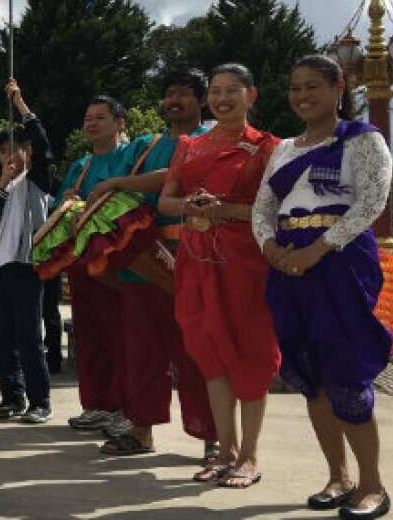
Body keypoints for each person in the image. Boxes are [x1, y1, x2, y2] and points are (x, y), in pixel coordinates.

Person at [252, 55, 393, 518]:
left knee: (345, 371)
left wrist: (319, 249)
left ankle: (372, 485)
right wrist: (270, 244)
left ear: (338, 88)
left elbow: (371, 201)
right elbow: (263, 206)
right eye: (295, 88)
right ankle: (338, 475)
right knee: (311, 375)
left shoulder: (362, 140)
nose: (302, 96)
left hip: (340, 263)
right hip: (287, 263)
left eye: (313, 86)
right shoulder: (285, 149)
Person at [159, 63, 280, 488]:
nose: (223, 99)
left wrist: (224, 210)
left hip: (246, 265)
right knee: (209, 355)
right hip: (196, 262)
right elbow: (166, 201)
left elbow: (275, 212)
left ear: (252, 95)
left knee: (249, 354)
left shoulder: (268, 148)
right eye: (216, 91)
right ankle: (223, 450)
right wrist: (190, 205)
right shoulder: (189, 146)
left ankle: (249, 456)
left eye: (232, 91)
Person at [87, 70, 218, 461]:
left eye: (184, 93)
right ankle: (141, 431)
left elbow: (181, 177)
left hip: (193, 259)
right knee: (141, 351)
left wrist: (121, 185)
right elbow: (116, 178)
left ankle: (214, 436)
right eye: (169, 94)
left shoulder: (212, 139)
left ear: (201, 101)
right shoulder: (145, 144)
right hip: (141, 261)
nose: (174, 100)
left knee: (196, 352)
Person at [0, 79, 55, 423]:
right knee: (2, 337)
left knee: (28, 338)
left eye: (16, 151)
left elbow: (43, 143)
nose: (10, 157)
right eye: (4, 152)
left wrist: (21, 105)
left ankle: (41, 401)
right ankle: (12, 396)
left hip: (26, 267)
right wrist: (2, 183)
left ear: (28, 153)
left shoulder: (37, 180)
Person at [59, 96, 133, 435]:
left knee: (123, 333)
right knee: (90, 333)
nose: (91, 123)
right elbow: (64, 205)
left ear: (120, 123)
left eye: (100, 117)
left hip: (121, 259)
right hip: (83, 259)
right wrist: (68, 202)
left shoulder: (131, 158)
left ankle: (126, 408)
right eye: (88, 117)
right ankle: (96, 404)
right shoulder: (81, 165)